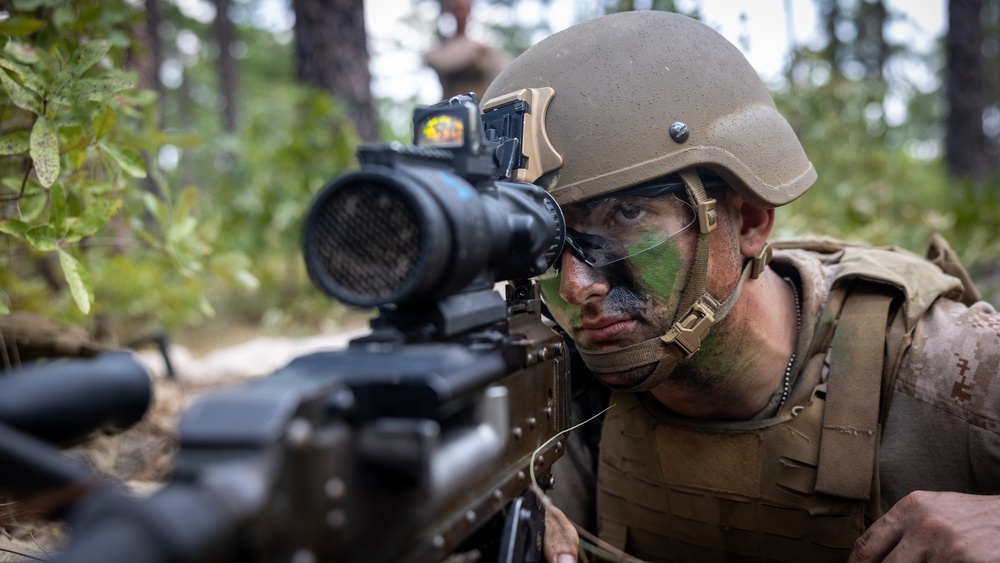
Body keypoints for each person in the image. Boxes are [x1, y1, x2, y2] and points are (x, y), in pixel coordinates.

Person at [479, 10, 1000, 563]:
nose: (578, 284)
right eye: (544, 243)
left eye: (625, 215)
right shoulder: (556, 398)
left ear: (749, 219)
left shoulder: (957, 370)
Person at [425, 0, 505, 100]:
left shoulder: (483, 48)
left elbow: (502, 73)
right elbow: (434, 60)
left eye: (464, 8)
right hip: (451, 108)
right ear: (451, 10)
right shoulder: (443, 49)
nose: (461, 13)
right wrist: (474, 55)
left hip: (479, 108)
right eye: (458, 8)